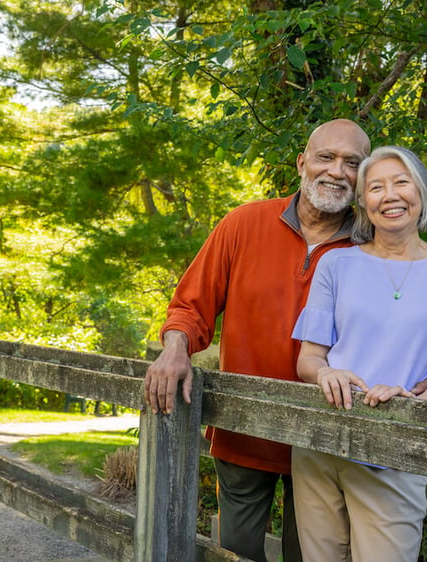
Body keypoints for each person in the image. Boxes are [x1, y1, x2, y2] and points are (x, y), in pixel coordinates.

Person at [143, 118, 371, 562]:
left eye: (352, 163)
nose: (337, 171)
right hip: (244, 426)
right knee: (237, 551)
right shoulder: (244, 223)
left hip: (327, 437)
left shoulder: (371, 246)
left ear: (363, 176)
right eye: (326, 157)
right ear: (303, 163)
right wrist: (175, 349)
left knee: (308, 556)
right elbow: (190, 306)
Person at [290, 145, 427, 562]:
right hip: (320, 442)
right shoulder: (335, 265)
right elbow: (309, 358)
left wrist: (411, 408)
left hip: (394, 450)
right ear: (363, 202)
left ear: (421, 191)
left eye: (401, 182)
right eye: (376, 187)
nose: (390, 195)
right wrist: (324, 374)